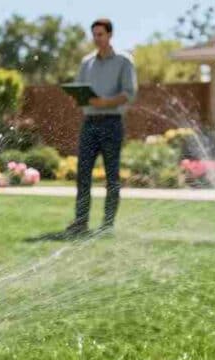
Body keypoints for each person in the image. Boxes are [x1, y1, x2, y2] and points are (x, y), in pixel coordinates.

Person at [66, 18, 137, 236]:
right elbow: (80, 89)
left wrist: (104, 103)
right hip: (89, 124)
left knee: (111, 176)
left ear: (110, 35)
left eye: (100, 34)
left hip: (111, 123)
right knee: (83, 174)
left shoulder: (124, 61)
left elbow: (129, 94)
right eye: (94, 35)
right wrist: (77, 97)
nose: (97, 39)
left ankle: (107, 224)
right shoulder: (87, 63)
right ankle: (80, 222)